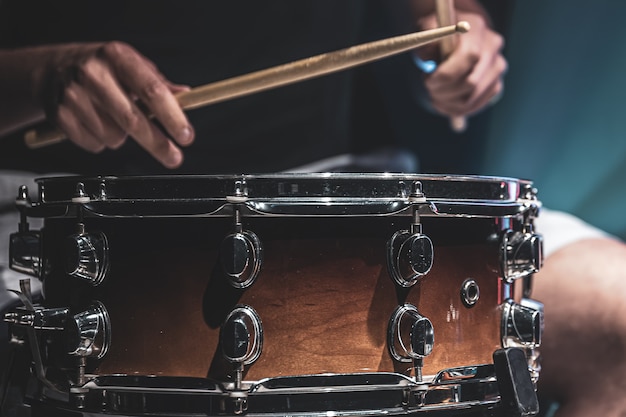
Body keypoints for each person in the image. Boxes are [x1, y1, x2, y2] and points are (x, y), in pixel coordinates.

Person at [0, 2, 624, 417]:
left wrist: (459, 40)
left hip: (344, 191)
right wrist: (41, 77)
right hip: (58, 207)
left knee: (614, 316)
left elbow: (439, 16)